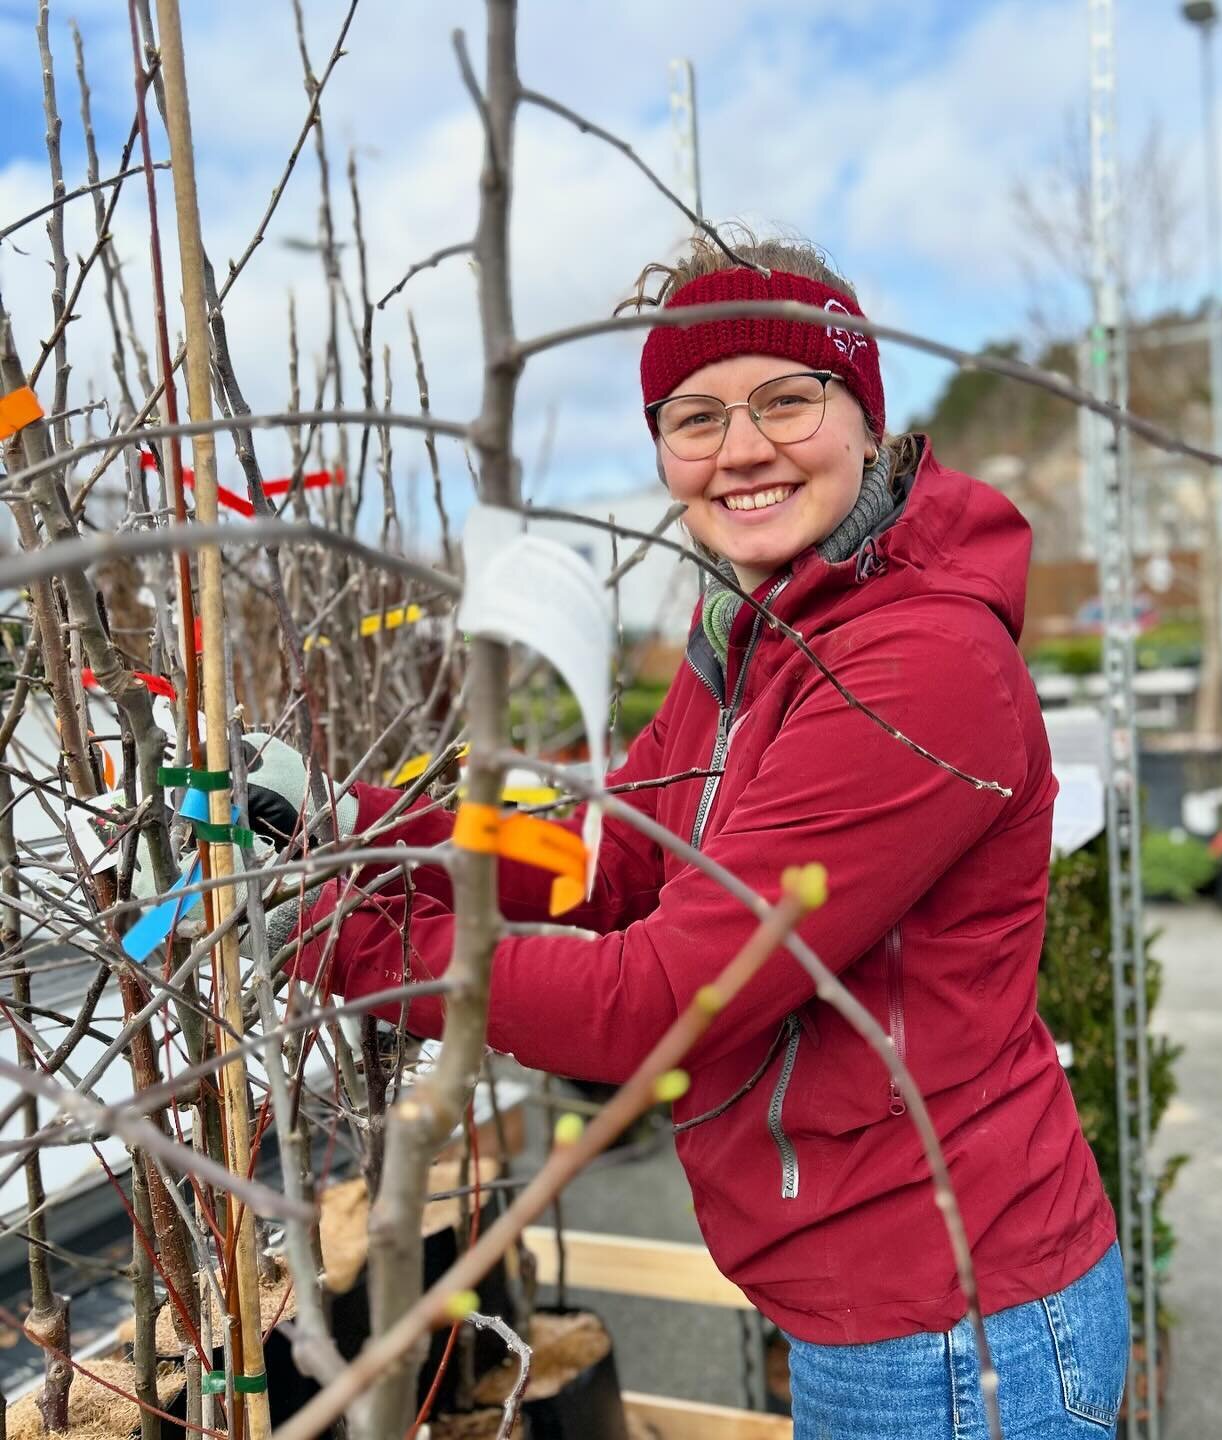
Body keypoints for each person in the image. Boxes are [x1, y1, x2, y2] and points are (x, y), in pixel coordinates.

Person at [246, 233, 1130, 1439]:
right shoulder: (748, 644)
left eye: (788, 398)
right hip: (870, 1308)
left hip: (956, 1333)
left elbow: (665, 995)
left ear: (867, 416)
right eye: (696, 416)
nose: (743, 448)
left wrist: (350, 946)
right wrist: (366, 835)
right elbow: (604, 857)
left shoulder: (920, 667)